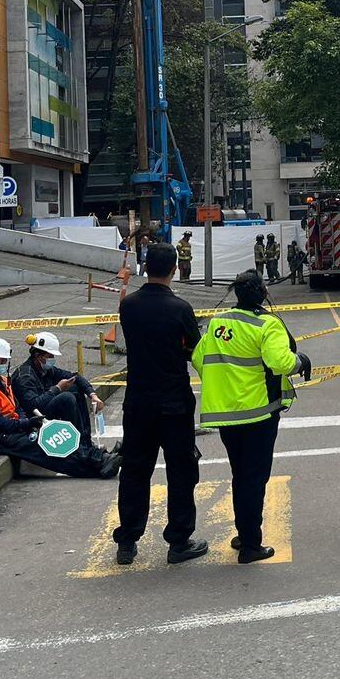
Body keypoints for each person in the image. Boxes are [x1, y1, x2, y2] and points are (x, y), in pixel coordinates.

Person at [193, 270, 310, 562]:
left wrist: (227, 384)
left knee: (240, 475)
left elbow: (198, 358)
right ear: (262, 293)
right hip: (258, 415)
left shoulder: (218, 322)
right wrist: (302, 361)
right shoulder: (267, 324)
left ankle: (244, 534)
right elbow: (280, 362)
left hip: (227, 416)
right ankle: (250, 546)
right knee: (254, 479)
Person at [112, 241, 207, 566]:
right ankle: (178, 541)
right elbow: (195, 350)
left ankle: (127, 540)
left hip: (138, 400)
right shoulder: (180, 308)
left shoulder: (129, 306)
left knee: (135, 470)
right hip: (174, 403)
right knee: (181, 472)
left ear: (145, 267)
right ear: (174, 269)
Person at [0, 339, 119, 479]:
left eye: (3, 361)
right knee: (49, 448)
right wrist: (26, 424)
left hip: (14, 429)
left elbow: (17, 407)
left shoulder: (2, 381)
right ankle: (100, 464)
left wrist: (26, 422)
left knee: (56, 439)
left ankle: (99, 459)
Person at [11, 331, 108, 463]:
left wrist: (92, 395)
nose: (52, 360)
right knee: (66, 398)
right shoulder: (25, 376)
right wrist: (57, 389)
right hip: (34, 418)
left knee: (75, 388)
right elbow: (33, 405)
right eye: (49, 356)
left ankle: (86, 444)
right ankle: (80, 450)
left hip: (44, 410)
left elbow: (75, 377)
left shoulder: (46, 369)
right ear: (37, 356)